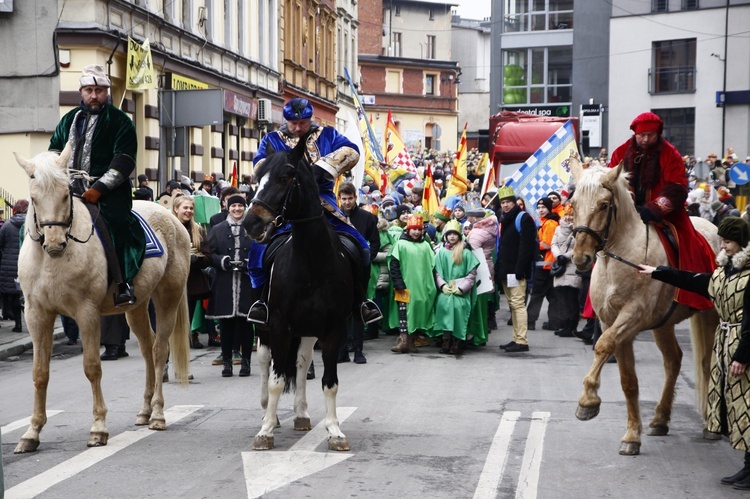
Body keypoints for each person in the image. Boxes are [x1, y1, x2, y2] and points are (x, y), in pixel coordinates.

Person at [638, 217, 750, 490]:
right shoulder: (725, 272)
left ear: (741, 243)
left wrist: (742, 356)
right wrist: (657, 272)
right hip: (726, 342)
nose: (723, 246)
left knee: (748, 407)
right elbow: (695, 281)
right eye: (722, 241)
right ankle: (747, 466)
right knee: (738, 407)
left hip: (742, 345)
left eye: (728, 242)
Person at [247, 97, 380, 325]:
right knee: (257, 253)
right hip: (284, 207)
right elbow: (260, 165)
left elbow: (352, 150)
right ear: (285, 121)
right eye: (293, 123)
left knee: (363, 248)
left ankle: (360, 301)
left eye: (303, 123)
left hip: (323, 203)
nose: (298, 128)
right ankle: (262, 302)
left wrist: (323, 168)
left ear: (311, 120)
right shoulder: (272, 139)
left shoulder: (327, 135)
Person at [48, 64, 144, 307]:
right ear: (81, 91)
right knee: (42, 222)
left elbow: (123, 161)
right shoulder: (68, 120)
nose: (94, 95)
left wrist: (98, 190)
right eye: (89, 89)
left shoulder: (120, 121)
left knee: (118, 225)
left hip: (109, 194)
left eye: (99, 90)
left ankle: (123, 283)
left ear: (107, 92)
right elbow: (54, 153)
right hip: (70, 190)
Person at [609, 112, 715, 311]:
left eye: (650, 135)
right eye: (642, 136)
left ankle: (695, 292)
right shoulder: (620, 152)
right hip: (628, 212)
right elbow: (610, 181)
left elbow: (677, 187)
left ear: (658, 134)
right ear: (635, 134)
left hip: (665, 214)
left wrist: (655, 208)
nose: (646, 139)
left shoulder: (670, 153)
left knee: (689, 241)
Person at [205, 194, 254, 377]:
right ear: (227, 207)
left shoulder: (252, 227)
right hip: (224, 282)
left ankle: (246, 363)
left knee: (246, 324)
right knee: (226, 325)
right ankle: (227, 363)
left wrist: (247, 262)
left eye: (240, 206)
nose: (237, 209)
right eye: (233, 206)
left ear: (244, 207)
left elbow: (259, 250)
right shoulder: (217, 229)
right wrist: (224, 261)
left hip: (246, 281)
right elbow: (210, 253)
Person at [337, 182, 380, 364]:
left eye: (350, 198)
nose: (347, 202)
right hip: (338, 271)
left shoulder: (367, 218)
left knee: (358, 309)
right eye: (344, 199)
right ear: (339, 199)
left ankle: (359, 350)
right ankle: (342, 351)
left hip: (360, 271)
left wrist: (366, 260)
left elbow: (375, 243)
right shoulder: (333, 217)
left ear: (355, 198)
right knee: (339, 312)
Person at [495, 186, 537, 353]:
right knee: (513, 304)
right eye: (503, 202)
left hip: (516, 271)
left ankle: (521, 340)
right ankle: (516, 338)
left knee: (518, 304)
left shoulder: (523, 218)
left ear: (515, 203)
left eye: (508, 202)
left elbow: (526, 248)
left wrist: (520, 270)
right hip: (507, 271)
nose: (505, 205)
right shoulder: (506, 220)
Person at [388, 214, 436, 353]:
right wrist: (398, 283)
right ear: (407, 230)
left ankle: (411, 341)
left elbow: (431, 265)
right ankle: (404, 341)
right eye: (413, 229)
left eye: (418, 229)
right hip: (404, 286)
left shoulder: (426, 246)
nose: (416, 232)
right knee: (404, 313)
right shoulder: (400, 244)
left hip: (422, 287)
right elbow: (394, 265)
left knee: (417, 313)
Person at [433, 220, 479, 355]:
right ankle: (445, 339)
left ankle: (457, 341)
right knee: (443, 306)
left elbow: (471, 274)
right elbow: (437, 272)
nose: (452, 236)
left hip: (460, 292)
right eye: (449, 234)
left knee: (458, 308)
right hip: (446, 289)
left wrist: (462, 288)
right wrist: (442, 286)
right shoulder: (441, 253)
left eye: (455, 234)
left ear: (459, 235)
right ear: (445, 236)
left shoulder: (466, 253)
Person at [172, 196, 212, 350]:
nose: (188, 211)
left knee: (185, 323)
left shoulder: (198, 231)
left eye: (191, 208)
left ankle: (182, 354)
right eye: (185, 208)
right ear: (176, 209)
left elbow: (208, 258)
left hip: (191, 285)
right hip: (169, 285)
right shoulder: (168, 227)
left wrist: (196, 259)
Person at [526, 197, 560, 331]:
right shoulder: (547, 222)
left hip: (546, 265)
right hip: (548, 264)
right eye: (539, 208)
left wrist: (532, 245)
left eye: (543, 208)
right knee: (552, 295)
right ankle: (554, 322)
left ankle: (530, 321)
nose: (540, 210)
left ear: (549, 208)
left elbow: (546, 244)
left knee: (537, 294)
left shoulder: (550, 223)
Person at [549, 204, 582, 337]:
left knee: (571, 297)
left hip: (573, 265)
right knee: (562, 297)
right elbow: (554, 243)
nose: (568, 217)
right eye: (567, 214)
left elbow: (580, 247)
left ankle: (572, 325)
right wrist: (558, 256)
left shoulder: (579, 230)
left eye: (571, 215)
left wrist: (566, 256)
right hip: (561, 265)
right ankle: (565, 324)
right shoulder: (558, 228)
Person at [0, 200, 28, 332]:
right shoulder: (32, 224)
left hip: (9, 265)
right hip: (27, 264)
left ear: (14, 210)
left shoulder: (6, 226)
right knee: (26, 294)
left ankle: (18, 324)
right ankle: (29, 321)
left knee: (15, 294)